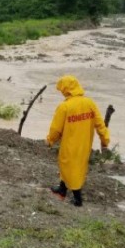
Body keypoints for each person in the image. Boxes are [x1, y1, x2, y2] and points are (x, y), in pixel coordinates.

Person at [46, 75, 109, 207]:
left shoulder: (64, 107)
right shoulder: (90, 103)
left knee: (69, 167)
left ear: (66, 90)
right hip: (85, 144)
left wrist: (50, 140)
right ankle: (62, 189)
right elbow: (100, 125)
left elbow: (56, 129)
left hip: (69, 144)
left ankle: (77, 198)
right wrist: (105, 140)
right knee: (77, 168)